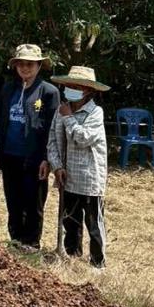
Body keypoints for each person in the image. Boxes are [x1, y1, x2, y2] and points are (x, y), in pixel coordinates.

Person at [0, 43, 60, 252]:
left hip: (34, 157)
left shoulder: (48, 92)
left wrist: (46, 158)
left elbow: (52, 127)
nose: (25, 68)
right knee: (13, 200)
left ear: (39, 66)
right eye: (21, 64)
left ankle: (32, 244)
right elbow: (0, 119)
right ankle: (15, 241)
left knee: (33, 202)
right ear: (15, 66)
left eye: (30, 64)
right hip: (10, 154)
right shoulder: (8, 88)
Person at [46, 65, 110, 268]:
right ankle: (73, 256)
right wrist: (56, 167)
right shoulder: (61, 110)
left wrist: (68, 117)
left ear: (88, 91)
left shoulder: (94, 113)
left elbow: (83, 138)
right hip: (68, 176)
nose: (72, 89)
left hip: (90, 177)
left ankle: (97, 262)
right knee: (70, 220)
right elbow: (53, 142)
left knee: (93, 223)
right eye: (70, 85)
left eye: (78, 86)